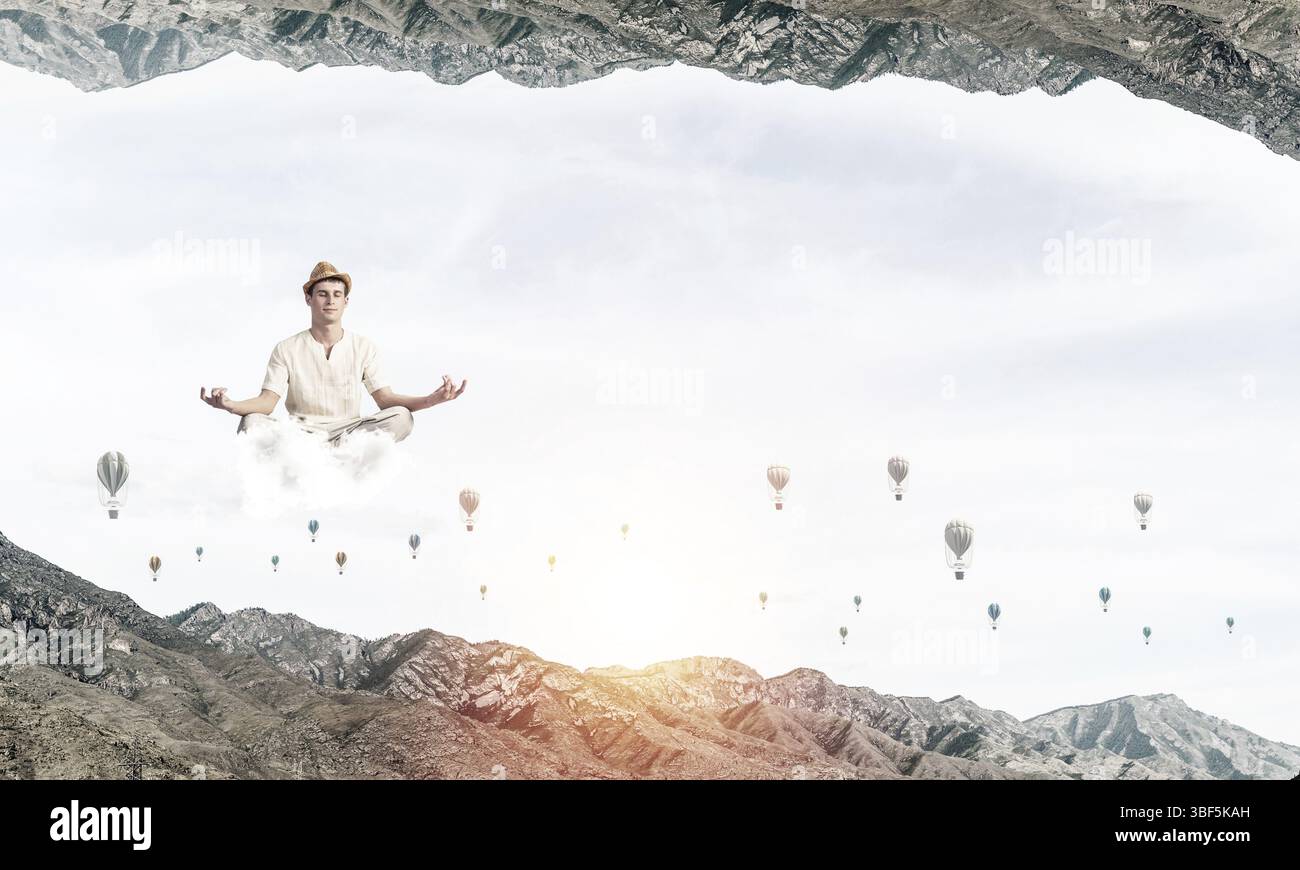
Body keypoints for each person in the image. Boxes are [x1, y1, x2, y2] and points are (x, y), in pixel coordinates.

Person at [200, 261, 466, 445]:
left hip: (349, 434)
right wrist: (230, 405)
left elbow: (385, 400)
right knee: (252, 423)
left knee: (401, 418)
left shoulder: (364, 347)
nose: (330, 301)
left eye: (337, 295)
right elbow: (267, 403)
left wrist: (431, 400)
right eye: (323, 294)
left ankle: (339, 461)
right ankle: (297, 465)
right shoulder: (287, 348)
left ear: (346, 302)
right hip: (300, 436)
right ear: (308, 299)